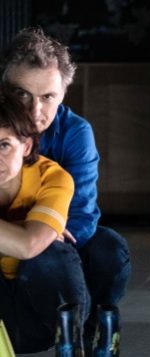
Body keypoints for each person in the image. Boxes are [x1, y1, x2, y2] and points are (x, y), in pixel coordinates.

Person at [0, 27, 131, 347]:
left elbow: (82, 217)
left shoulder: (75, 133)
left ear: (63, 94)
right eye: (22, 94)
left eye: (47, 98)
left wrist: (42, 232)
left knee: (108, 250)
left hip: (55, 238)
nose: (34, 111)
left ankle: (85, 335)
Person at [0, 93, 90, 353]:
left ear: (26, 146)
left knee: (54, 253)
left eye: (4, 145)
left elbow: (29, 245)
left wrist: (37, 235)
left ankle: (73, 345)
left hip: (40, 320)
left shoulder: (52, 177)